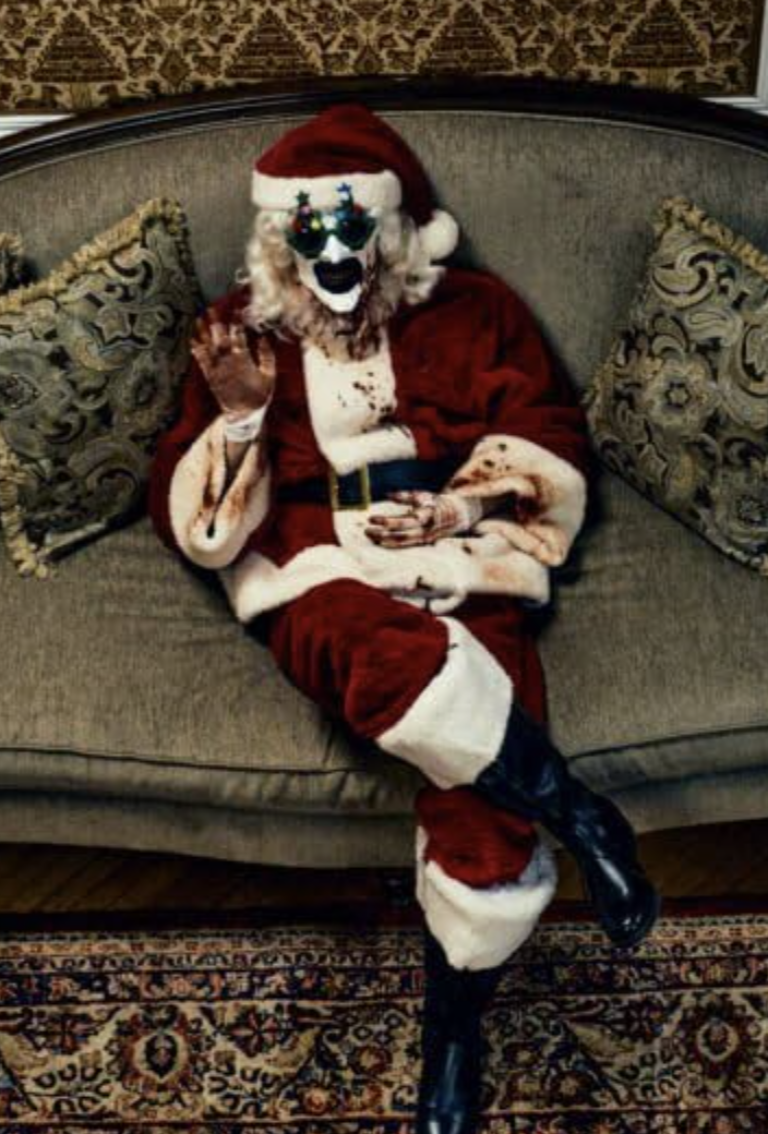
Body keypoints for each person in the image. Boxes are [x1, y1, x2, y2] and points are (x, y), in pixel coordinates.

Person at [148, 103, 661, 1134]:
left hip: (459, 553)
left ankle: (453, 1035)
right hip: (315, 559)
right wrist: (243, 414)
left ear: (393, 232)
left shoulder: (474, 308)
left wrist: (460, 509)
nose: (333, 259)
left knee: (486, 818)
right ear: (280, 240)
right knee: (365, 648)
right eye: (310, 237)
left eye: (355, 232)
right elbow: (198, 522)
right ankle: (583, 813)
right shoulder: (239, 327)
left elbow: (547, 432)